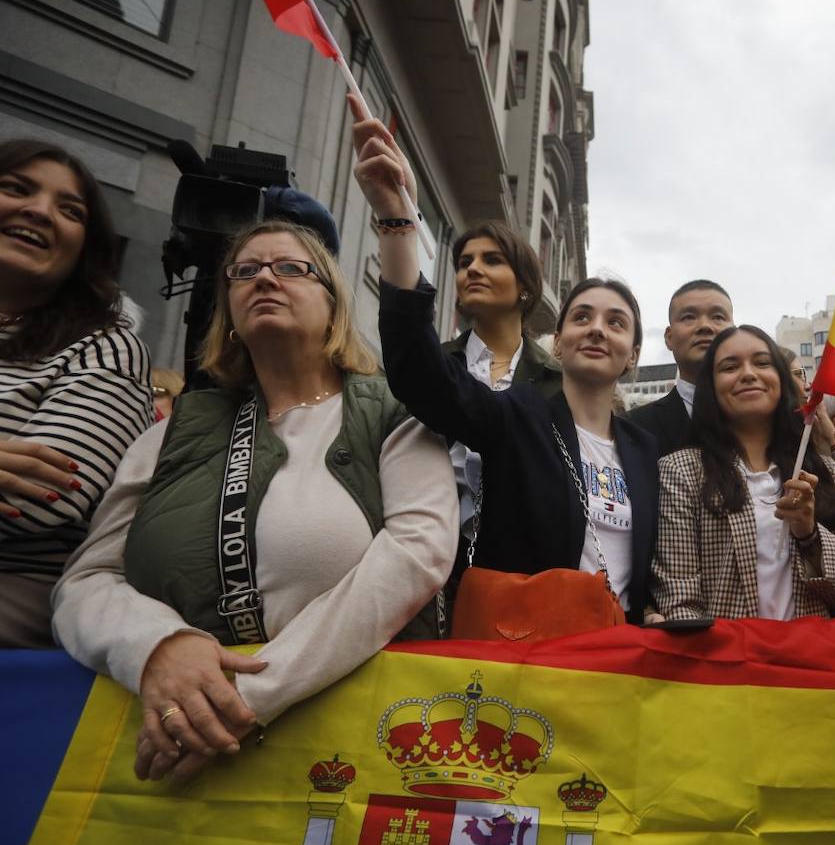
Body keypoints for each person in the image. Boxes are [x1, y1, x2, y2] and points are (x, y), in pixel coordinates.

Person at [52, 217, 459, 781]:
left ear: (334, 302)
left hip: (347, 744)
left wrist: (247, 695)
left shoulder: (396, 414)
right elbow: (85, 582)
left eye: (291, 268)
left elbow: (418, 555)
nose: (265, 279)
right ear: (230, 311)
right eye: (245, 272)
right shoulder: (169, 433)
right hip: (166, 741)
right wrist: (157, 647)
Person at [350, 99, 659, 620]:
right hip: (525, 654)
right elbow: (421, 376)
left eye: (617, 322)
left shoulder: (646, 449)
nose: (598, 330)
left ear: (633, 356)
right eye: (582, 316)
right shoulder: (518, 414)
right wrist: (397, 222)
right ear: (556, 342)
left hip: (621, 660)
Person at [0, 138, 153, 648]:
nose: (39, 211)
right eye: (15, 188)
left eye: (70, 210)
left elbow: (44, 499)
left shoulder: (105, 347)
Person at [652, 325, 835, 621]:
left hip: (812, 659)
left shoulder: (821, 470)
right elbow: (680, 601)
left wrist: (808, 533)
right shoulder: (681, 471)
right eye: (730, 366)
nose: (748, 373)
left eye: (762, 363)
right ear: (710, 388)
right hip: (728, 660)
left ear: (780, 379)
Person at [439, 221, 561, 560]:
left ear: (524, 284)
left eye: (491, 260)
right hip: (432, 562)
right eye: (465, 263)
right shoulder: (435, 364)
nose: (473, 269)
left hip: (521, 570)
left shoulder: (557, 382)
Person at [627, 279, 733, 459]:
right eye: (689, 317)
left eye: (717, 317)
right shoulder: (631, 428)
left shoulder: (768, 421)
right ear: (669, 337)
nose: (704, 326)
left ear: (734, 333)